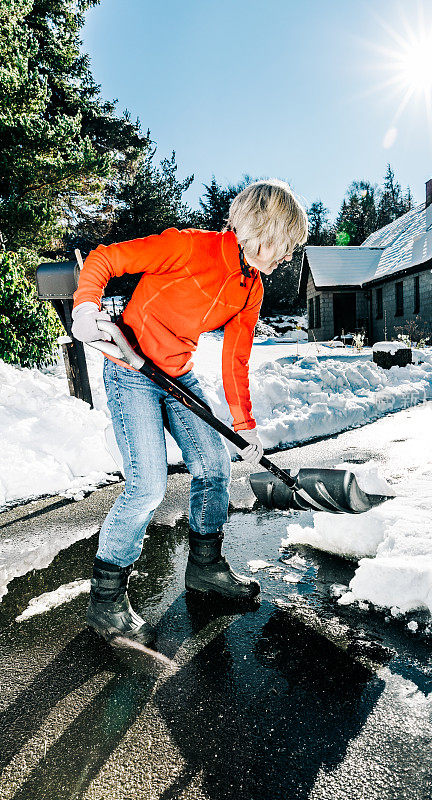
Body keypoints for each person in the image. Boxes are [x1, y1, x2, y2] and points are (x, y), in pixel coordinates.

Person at [71, 179, 308, 644]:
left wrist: (246, 426)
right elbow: (104, 258)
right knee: (148, 484)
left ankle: (205, 568)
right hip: (130, 369)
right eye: (284, 244)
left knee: (214, 464)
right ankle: (106, 597)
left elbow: (234, 357)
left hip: (177, 374)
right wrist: (84, 306)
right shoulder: (186, 247)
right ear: (259, 228)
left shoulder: (250, 287)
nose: (286, 257)